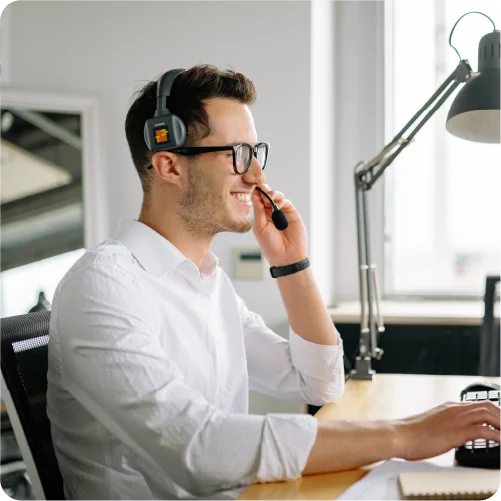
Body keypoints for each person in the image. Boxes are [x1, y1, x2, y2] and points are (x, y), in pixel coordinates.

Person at [47, 64, 501, 501]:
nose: (257, 176)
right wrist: (405, 435)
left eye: (256, 152)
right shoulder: (104, 288)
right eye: (238, 155)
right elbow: (199, 450)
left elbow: (320, 383)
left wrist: (292, 264)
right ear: (169, 165)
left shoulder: (207, 283)